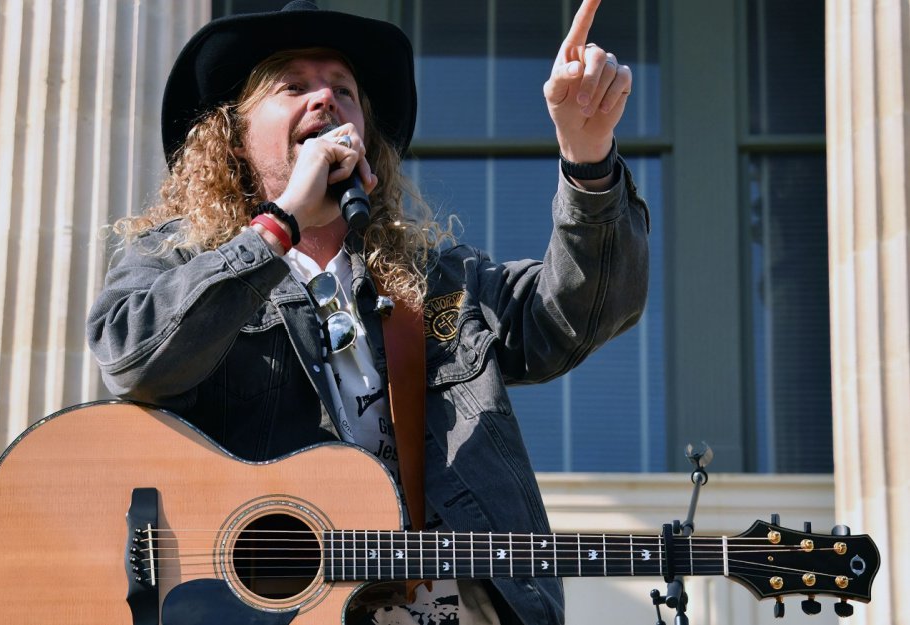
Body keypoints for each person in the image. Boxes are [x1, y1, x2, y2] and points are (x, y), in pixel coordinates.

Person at [86, 1, 649, 623]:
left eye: (344, 90)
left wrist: (588, 159)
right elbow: (132, 358)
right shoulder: (175, 257)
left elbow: (578, 314)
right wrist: (277, 229)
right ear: (234, 135)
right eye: (292, 86)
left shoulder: (438, 281)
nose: (324, 100)